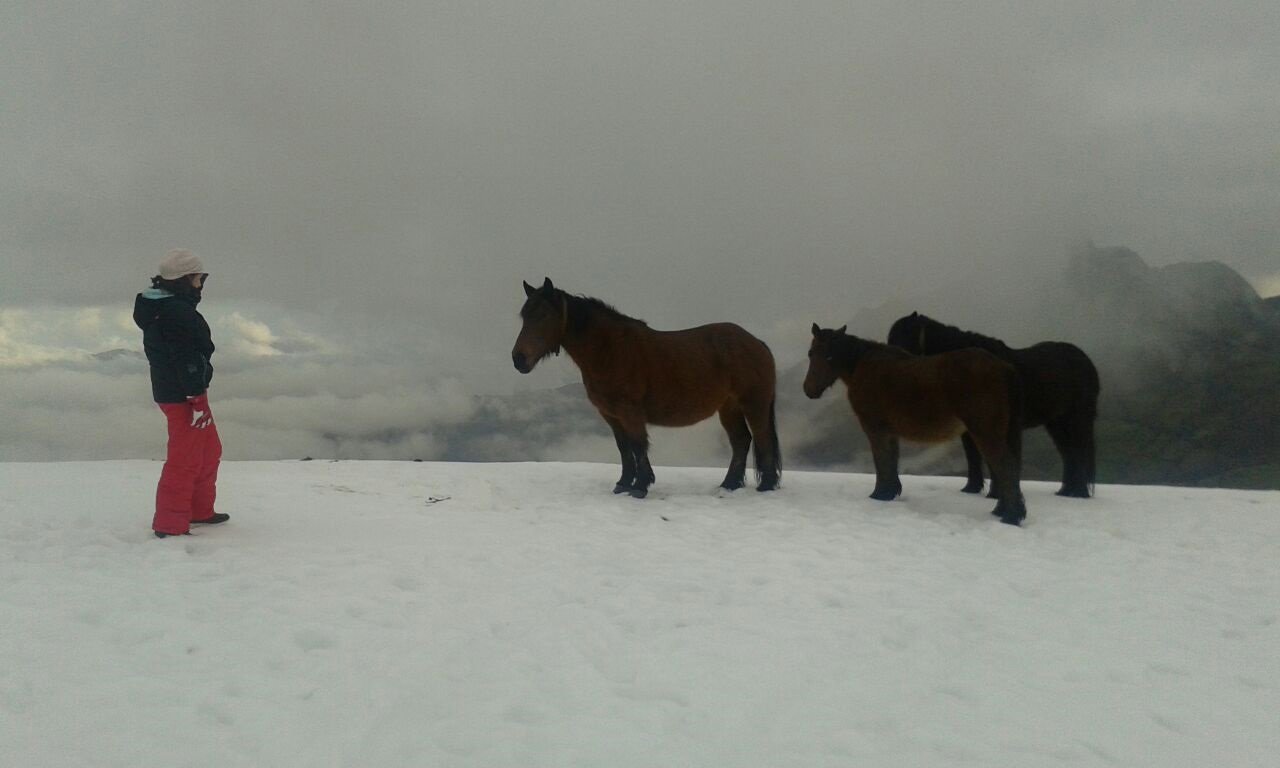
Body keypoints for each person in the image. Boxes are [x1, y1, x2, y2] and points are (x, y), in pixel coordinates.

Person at [133, 249, 229, 538]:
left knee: (208, 451)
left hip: (183, 391)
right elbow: (186, 357)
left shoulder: (166, 307)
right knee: (185, 459)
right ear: (186, 279)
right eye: (199, 278)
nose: (201, 284)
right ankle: (170, 523)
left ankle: (199, 510)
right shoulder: (176, 313)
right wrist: (196, 396)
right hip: (184, 396)